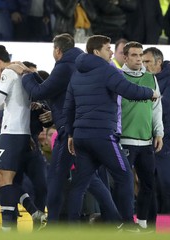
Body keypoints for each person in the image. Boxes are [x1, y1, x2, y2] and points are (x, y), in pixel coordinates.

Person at [63, 35, 159, 229]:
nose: (112, 52)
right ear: (97, 52)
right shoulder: (108, 70)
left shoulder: (77, 73)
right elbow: (128, 89)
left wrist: (71, 134)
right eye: (108, 49)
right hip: (102, 136)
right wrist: (150, 93)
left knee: (80, 183)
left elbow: (69, 107)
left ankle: (70, 227)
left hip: (81, 136)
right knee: (124, 176)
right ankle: (127, 224)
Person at [11, 33, 83, 221]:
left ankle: (51, 226)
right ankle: (115, 220)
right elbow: (56, 96)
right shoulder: (82, 63)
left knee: (55, 180)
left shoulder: (64, 66)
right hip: (82, 129)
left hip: (68, 133)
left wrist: (26, 74)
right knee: (91, 180)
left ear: (57, 50)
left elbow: (41, 91)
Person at [0, 44, 47, 231]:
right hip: (21, 132)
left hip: (12, 132)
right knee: (5, 179)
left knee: (4, 179)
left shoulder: (8, 73)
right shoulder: (22, 71)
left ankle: (8, 227)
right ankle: (34, 212)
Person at [120, 42, 163, 229]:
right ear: (126, 57)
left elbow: (156, 108)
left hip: (146, 141)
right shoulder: (118, 77)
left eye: (140, 55)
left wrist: (159, 132)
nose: (139, 59)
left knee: (148, 184)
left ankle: (143, 223)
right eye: (135, 55)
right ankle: (125, 222)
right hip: (124, 140)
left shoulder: (150, 78)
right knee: (125, 185)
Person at [143, 47, 170, 214]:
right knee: (149, 183)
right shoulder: (143, 79)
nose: (144, 65)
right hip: (147, 138)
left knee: (164, 182)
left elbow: (165, 105)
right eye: (142, 61)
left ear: (158, 62)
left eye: (147, 61)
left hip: (166, 139)